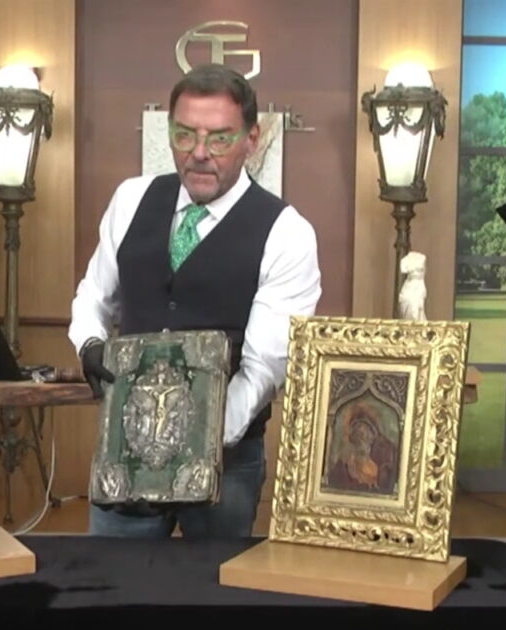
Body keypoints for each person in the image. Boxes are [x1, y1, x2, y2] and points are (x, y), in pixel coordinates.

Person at [68, 63, 322, 539]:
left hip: (228, 459)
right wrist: (89, 344)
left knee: (212, 584)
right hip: (124, 456)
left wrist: (190, 446)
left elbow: (263, 371)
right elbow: (93, 297)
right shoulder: (130, 199)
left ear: (252, 139)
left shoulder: (288, 233)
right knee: (111, 582)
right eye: (185, 135)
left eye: (220, 139)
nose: (199, 154)